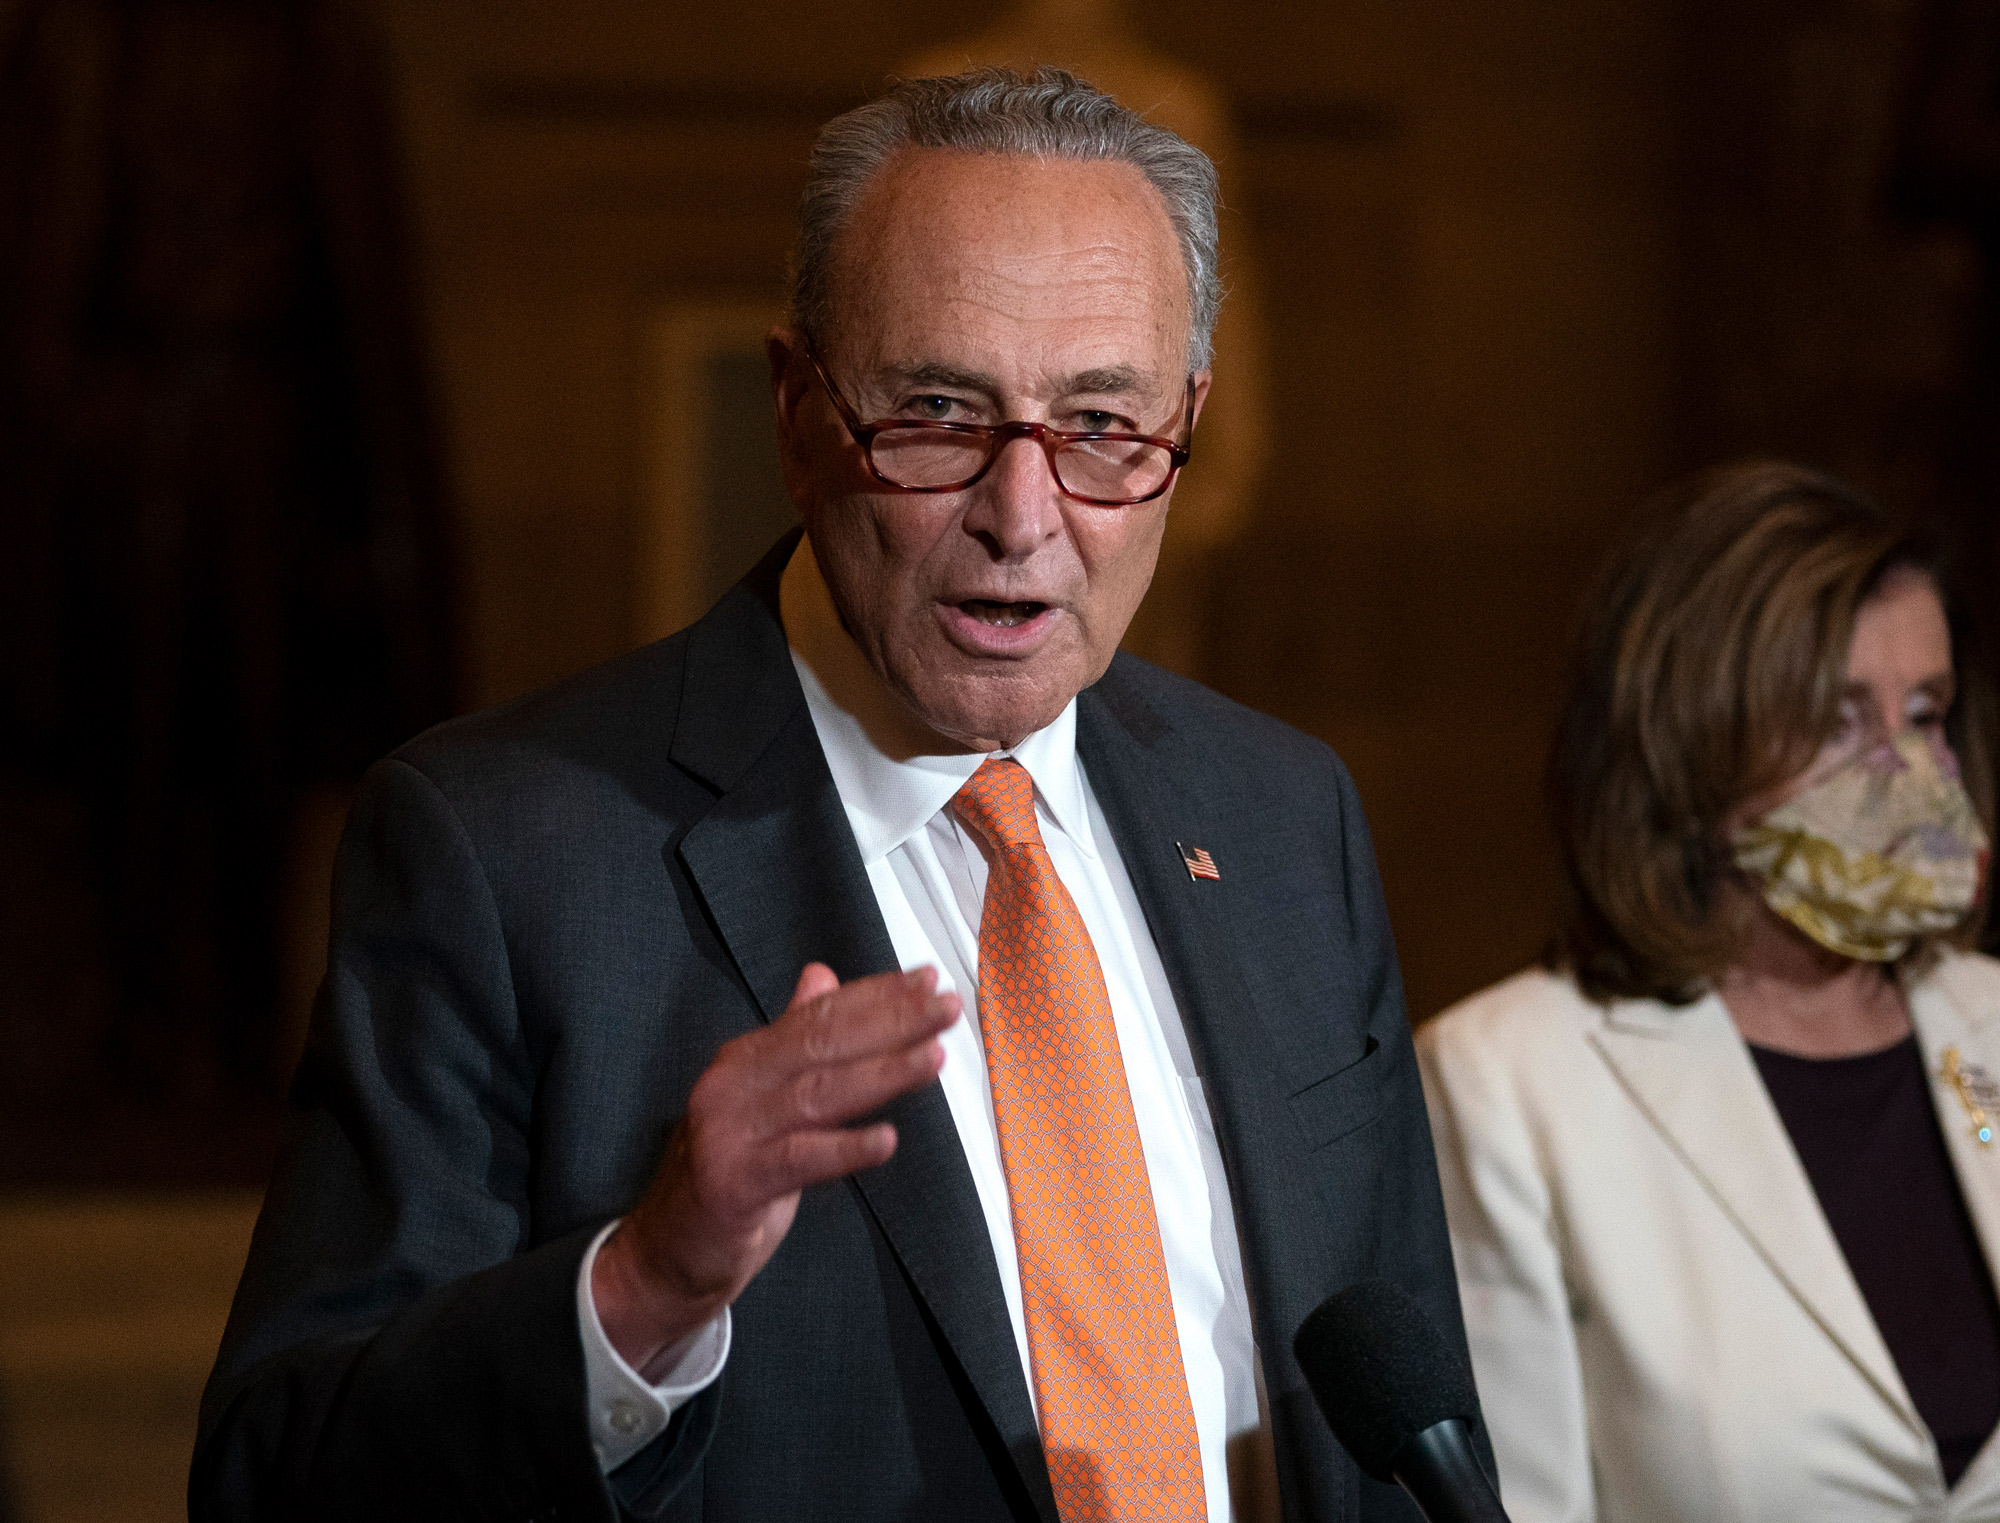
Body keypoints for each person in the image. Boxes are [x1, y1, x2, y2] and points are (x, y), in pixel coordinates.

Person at [192, 68, 1473, 1522]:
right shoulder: (506, 853)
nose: (1023, 515)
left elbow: (1415, 1441)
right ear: (798, 412)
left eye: (1103, 426)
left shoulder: (1285, 819)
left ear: (1187, 427)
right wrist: (642, 1290)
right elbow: (273, 1480)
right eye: (937, 413)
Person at [1419, 460, 2000, 1520]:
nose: (1906, 772)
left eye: (1923, 713)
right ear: (1688, 742)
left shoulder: (1987, 1017)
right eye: (1837, 722)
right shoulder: (1509, 1080)